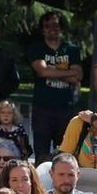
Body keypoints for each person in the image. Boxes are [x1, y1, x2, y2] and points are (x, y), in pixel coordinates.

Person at [26, 12, 82, 158]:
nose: (52, 28)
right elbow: (42, 71)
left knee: (66, 154)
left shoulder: (72, 50)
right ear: (42, 29)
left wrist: (52, 72)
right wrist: (68, 73)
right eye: (47, 26)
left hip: (66, 109)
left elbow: (78, 76)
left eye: (56, 25)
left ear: (61, 28)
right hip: (42, 109)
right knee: (42, 155)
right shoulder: (36, 48)